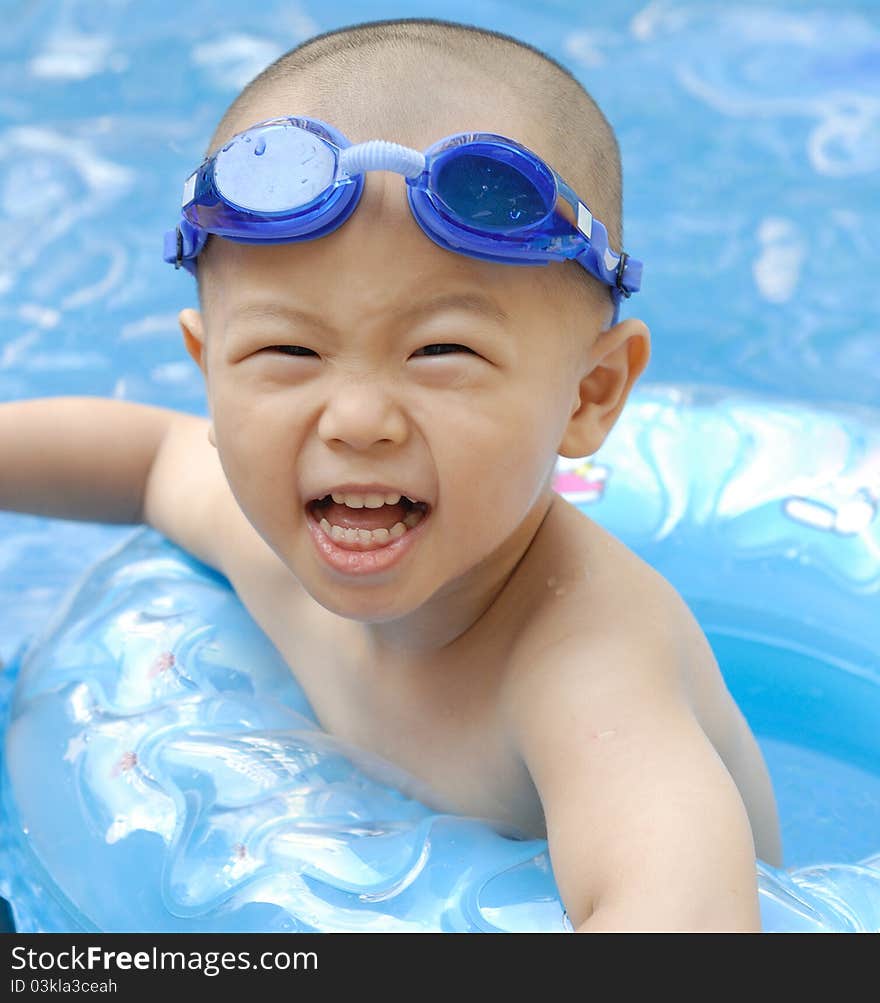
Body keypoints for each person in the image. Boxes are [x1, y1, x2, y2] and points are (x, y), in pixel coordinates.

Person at [0, 16, 782, 931]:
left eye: (440, 350)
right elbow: (142, 461)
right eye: (290, 349)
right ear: (207, 371)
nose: (359, 419)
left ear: (591, 394)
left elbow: (686, 922)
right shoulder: (265, 546)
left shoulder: (587, 670)